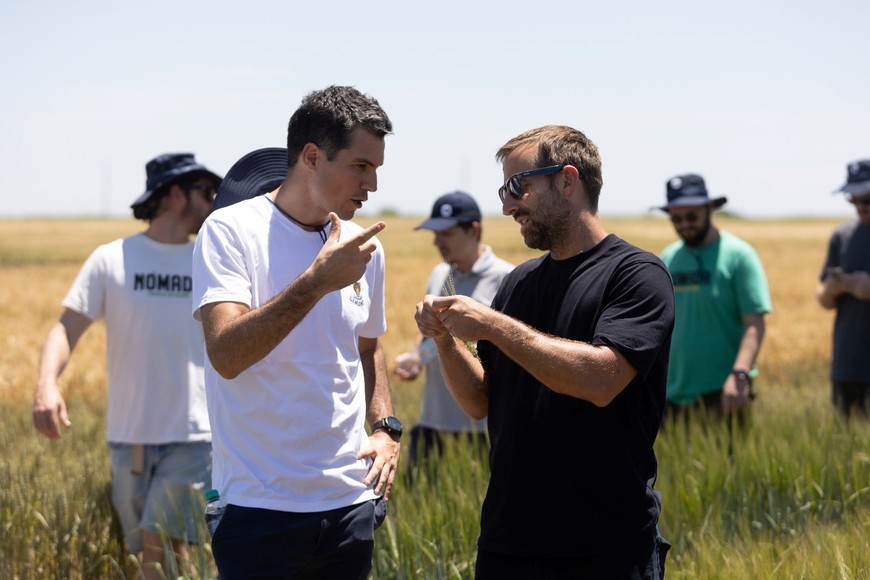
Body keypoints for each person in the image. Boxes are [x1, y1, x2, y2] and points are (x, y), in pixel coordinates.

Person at [415, 125, 675, 578]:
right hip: (508, 542)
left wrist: (493, 325)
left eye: (519, 186)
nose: (507, 205)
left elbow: (600, 381)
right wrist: (445, 341)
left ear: (568, 180)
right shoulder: (519, 284)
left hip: (605, 548)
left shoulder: (637, 274)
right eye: (503, 189)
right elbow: (480, 402)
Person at [191, 85, 400, 579]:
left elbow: (369, 348)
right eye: (360, 166)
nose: (370, 185)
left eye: (376, 169)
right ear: (311, 156)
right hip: (258, 509)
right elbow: (226, 353)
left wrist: (386, 429)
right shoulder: (229, 231)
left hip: (350, 504)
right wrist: (314, 283)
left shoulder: (364, 247)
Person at [32, 153, 219, 579]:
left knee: (158, 551)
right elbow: (65, 328)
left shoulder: (210, 260)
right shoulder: (110, 259)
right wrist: (46, 385)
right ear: (175, 194)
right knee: (153, 556)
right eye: (205, 192)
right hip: (127, 438)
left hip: (193, 436)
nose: (213, 203)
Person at [393, 191, 513, 470]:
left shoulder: (506, 279)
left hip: (481, 428)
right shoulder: (439, 274)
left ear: (474, 230)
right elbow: (427, 335)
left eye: (445, 233)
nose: (436, 241)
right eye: (434, 233)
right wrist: (415, 358)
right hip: (431, 420)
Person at [655, 174, 772, 422]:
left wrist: (740, 375)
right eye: (676, 219)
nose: (684, 224)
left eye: (691, 216)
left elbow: (754, 323)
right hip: (672, 393)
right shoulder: (669, 257)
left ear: (709, 209)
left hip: (724, 393)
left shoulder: (739, 255)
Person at [816, 159, 870, 419]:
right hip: (847, 364)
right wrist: (833, 288)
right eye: (854, 200)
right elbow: (824, 300)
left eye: (867, 199)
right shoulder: (842, 235)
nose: (861, 207)